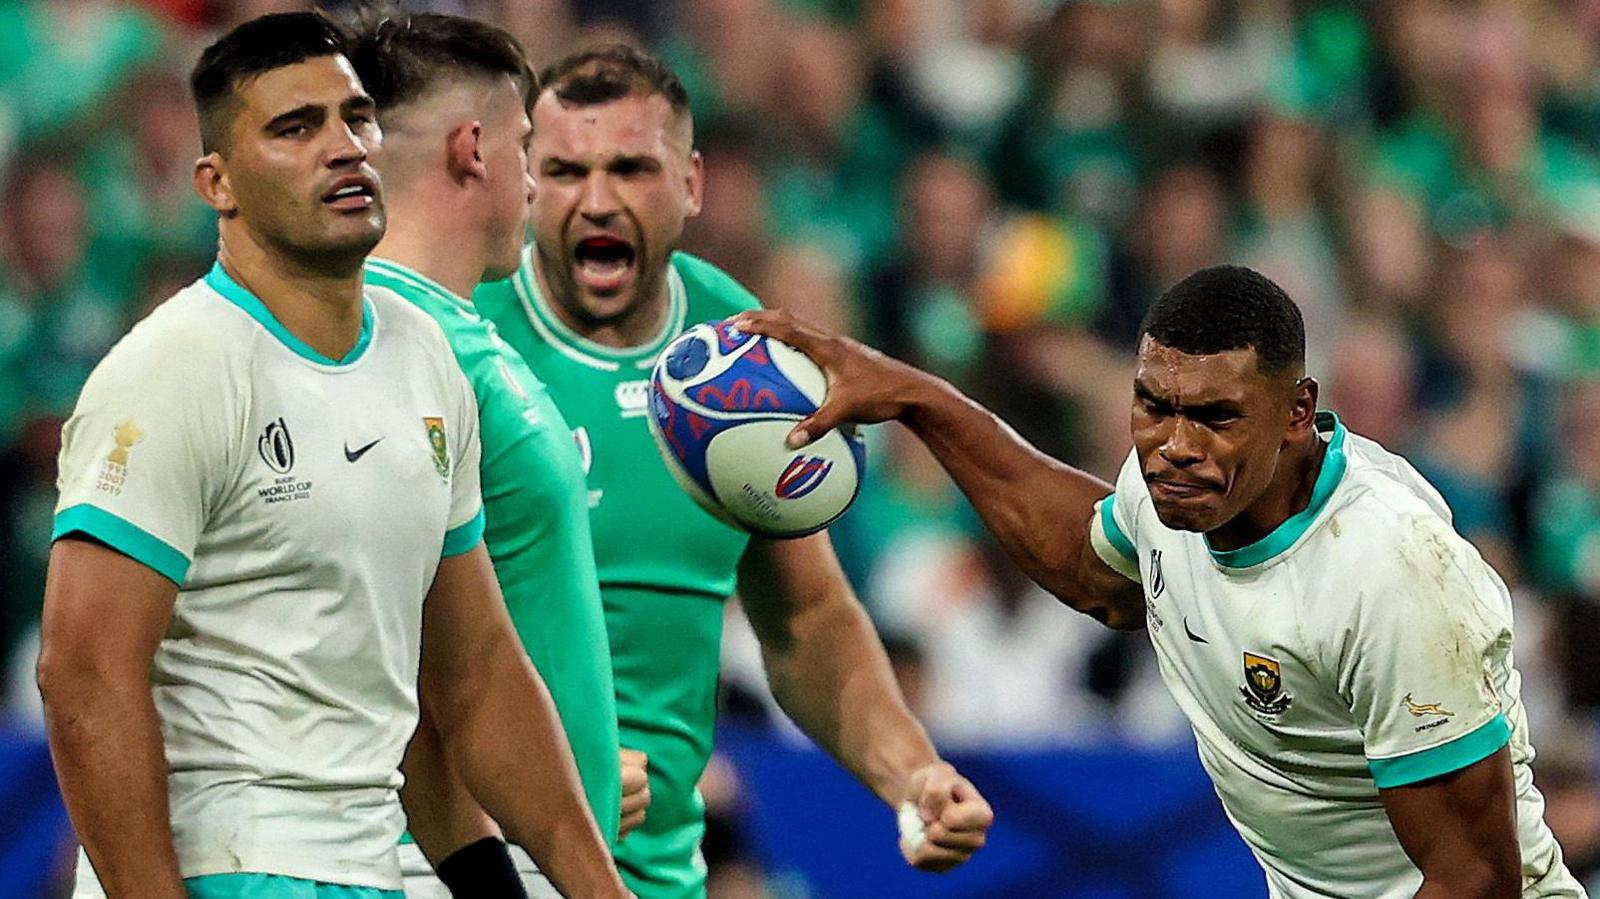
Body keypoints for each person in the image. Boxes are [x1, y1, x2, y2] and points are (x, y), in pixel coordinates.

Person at [734, 264, 1589, 898]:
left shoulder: (1392, 574)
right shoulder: (1174, 484)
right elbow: (1094, 569)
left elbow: (1476, 883)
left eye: (1217, 416)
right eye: (1153, 404)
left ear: (1297, 413)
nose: (1174, 443)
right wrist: (916, 399)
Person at [36, 13, 628, 899]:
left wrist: (594, 889)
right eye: (295, 128)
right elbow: (83, 673)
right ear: (217, 183)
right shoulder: (174, 369)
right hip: (221, 864)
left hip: (368, 869)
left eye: (356, 118)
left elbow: (474, 675)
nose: (344, 147)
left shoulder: (424, 357)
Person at [472, 45, 993, 898]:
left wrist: (912, 773)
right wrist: (548, 759)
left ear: (691, 183)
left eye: (632, 168)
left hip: (658, 875)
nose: (596, 200)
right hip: (471, 864)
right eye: (565, 170)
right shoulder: (462, 334)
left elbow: (807, 620)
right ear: (527, 183)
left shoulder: (742, 356)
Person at [342, 12, 646, 899]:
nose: (535, 184)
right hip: (445, 864)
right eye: (527, 148)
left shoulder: (452, 336)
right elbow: (415, 654)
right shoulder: (386, 348)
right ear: (473, 149)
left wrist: (580, 769)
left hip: (515, 845)